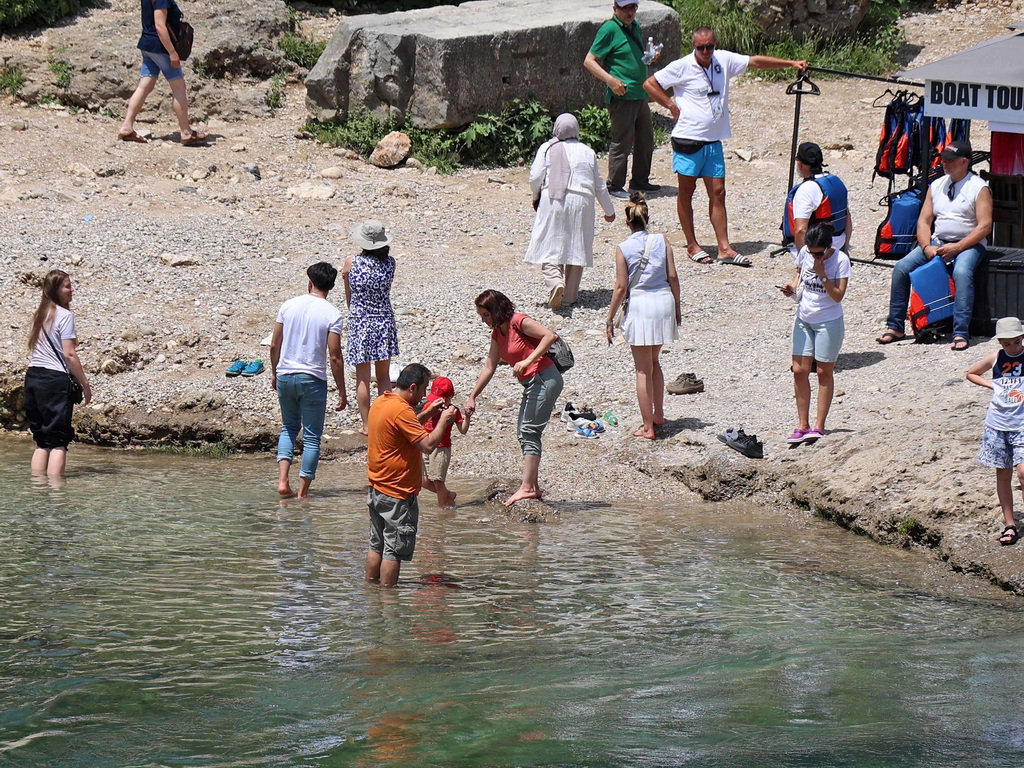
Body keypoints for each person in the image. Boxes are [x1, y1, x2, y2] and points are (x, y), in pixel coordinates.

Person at [644, 27, 806, 266]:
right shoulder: (682, 65)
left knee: (718, 193)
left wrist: (790, 63)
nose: (706, 51)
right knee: (686, 193)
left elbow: (755, 62)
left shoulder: (723, 60)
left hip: (713, 141)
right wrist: (670, 105)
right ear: (694, 47)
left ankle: (724, 247)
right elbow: (650, 83)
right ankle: (692, 244)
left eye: (710, 46)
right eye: (701, 47)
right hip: (688, 139)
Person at [876, 140, 993, 351]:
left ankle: (960, 331)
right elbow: (924, 221)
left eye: (950, 160)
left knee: (962, 272)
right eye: (944, 159)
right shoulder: (937, 184)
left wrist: (957, 247)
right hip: (938, 242)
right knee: (901, 268)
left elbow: (984, 227)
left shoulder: (979, 188)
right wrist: (926, 246)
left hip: (968, 244)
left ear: (964, 162)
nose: (945, 164)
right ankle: (895, 326)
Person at [467, 290, 564, 506]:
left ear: (496, 310)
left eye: (485, 315)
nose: (483, 320)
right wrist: (472, 396)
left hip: (544, 378)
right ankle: (533, 486)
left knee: (530, 431)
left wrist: (527, 360)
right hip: (532, 383)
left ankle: (528, 488)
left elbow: (550, 336)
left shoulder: (518, 321)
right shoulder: (497, 333)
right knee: (523, 432)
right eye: (481, 315)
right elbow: (489, 367)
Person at [366, 364, 457, 587]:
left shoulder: (382, 401)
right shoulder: (402, 411)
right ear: (413, 387)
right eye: (424, 389)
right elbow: (427, 445)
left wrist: (427, 413)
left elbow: (401, 427)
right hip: (397, 493)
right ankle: (389, 602)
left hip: (377, 488)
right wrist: (444, 421)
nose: (425, 395)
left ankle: (371, 592)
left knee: (376, 545)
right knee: (393, 550)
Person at [605, 192, 680, 439]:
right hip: (663, 302)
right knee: (655, 362)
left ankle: (648, 426)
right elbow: (672, 276)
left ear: (627, 221)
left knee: (642, 370)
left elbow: (621, 287)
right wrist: (677, 306)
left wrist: (609, 318)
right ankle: (658, 414)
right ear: (647, 218)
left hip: (641, 305)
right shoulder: (662, 240)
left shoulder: (623, 248)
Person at [269, 262, 347, 499]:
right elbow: (334, 356)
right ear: (331, 286)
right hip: (313, 378)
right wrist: (342, 390)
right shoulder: (333, 314)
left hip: (285, 374)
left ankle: (283, 481)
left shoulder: (288, 305)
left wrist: (274, 372)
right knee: (312, 436)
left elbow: (275, 344)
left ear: (310, 282)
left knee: (289, 428)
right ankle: (303, 494)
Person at [525, 113, 617, 309]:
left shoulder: (547, 148)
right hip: (582, 201)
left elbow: (535, 176)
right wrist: (609, 210)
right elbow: (599, 185)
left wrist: (535, 196)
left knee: (550, 242)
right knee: (577, 245)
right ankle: (570, 296)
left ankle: (555, 282)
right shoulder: (587, 151)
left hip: (553, 199)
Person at [780, 222, 850, 444]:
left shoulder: (841, 260)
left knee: (823, 372)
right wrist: (791, 287)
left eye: (818, 253)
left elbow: (838, 295)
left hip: (828, 321)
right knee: (799, 370)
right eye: (811, 252)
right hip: (804, 318)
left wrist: (823, 275)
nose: (814, 256)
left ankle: (819, 426)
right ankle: (802, 425)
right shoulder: (805, 253)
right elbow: (799, 274)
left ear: (829, 247)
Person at [584, 0, 661, 199]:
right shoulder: (609, 29)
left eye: (633, 8)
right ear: (615, 9)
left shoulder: (634, 26)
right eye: (625, 8)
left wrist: (649, 58)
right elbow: (589, 61)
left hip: (640, 93)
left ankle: (640, 181)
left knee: (645, 139)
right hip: (622, 96)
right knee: (622, 142)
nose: (630, 12)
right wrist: (611, 80)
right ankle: (614, 185)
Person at [23, 270, 92, 477]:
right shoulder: (65, 315)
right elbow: (69, 354)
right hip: (54, 380)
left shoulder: (40, 314)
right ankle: (57, 497)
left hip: (33, 377)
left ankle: (38, 492)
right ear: (55, 290)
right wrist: (85, 385)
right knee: (58, 442)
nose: (72, 290)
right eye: (67, 286)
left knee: (42, 441)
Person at [967, 316, 1024, 546]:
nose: (1012, 347)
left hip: (1021, 423)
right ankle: (1010, 523)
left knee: (1023, 473)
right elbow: (971, 373)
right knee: (1003, 474)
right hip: (998, 423)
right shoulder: (996, 358)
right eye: (1007, 343)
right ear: (1000, 343)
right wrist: (992, 385)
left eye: (1017, 342)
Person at [118, 0, 208, 145]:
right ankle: (186, 132)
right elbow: (160, 26)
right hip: (161, 48)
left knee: (145, 85)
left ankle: (127, 127)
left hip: (147, 44)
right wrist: (172, 52)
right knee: (178, 86)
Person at [344, 220, 400, 435]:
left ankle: (367, 424)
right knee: (384, 376)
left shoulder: (352, 262)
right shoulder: (390, 263)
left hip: (360, 320)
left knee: (363, 377)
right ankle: (384, 422)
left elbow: (349, 294)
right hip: (384, 319)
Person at [783, 142, 852, 254]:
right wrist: (845, 247)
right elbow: (847, 218)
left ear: (799, 164)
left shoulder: (807, 189)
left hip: (818, 248)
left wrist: (803, 262)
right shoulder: (836, 181)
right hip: (839, 243)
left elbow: (800, 230)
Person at [421, 376, 471, 509]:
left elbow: (463, 430)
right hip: (426, 445)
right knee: (424, 481)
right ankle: (448, 495)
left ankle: (442, 509)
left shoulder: (453, 411)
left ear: (449, 398)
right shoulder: (428, 406)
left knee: (438, 480)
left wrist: (467, 417)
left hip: (441, 448)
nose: (435, 401)